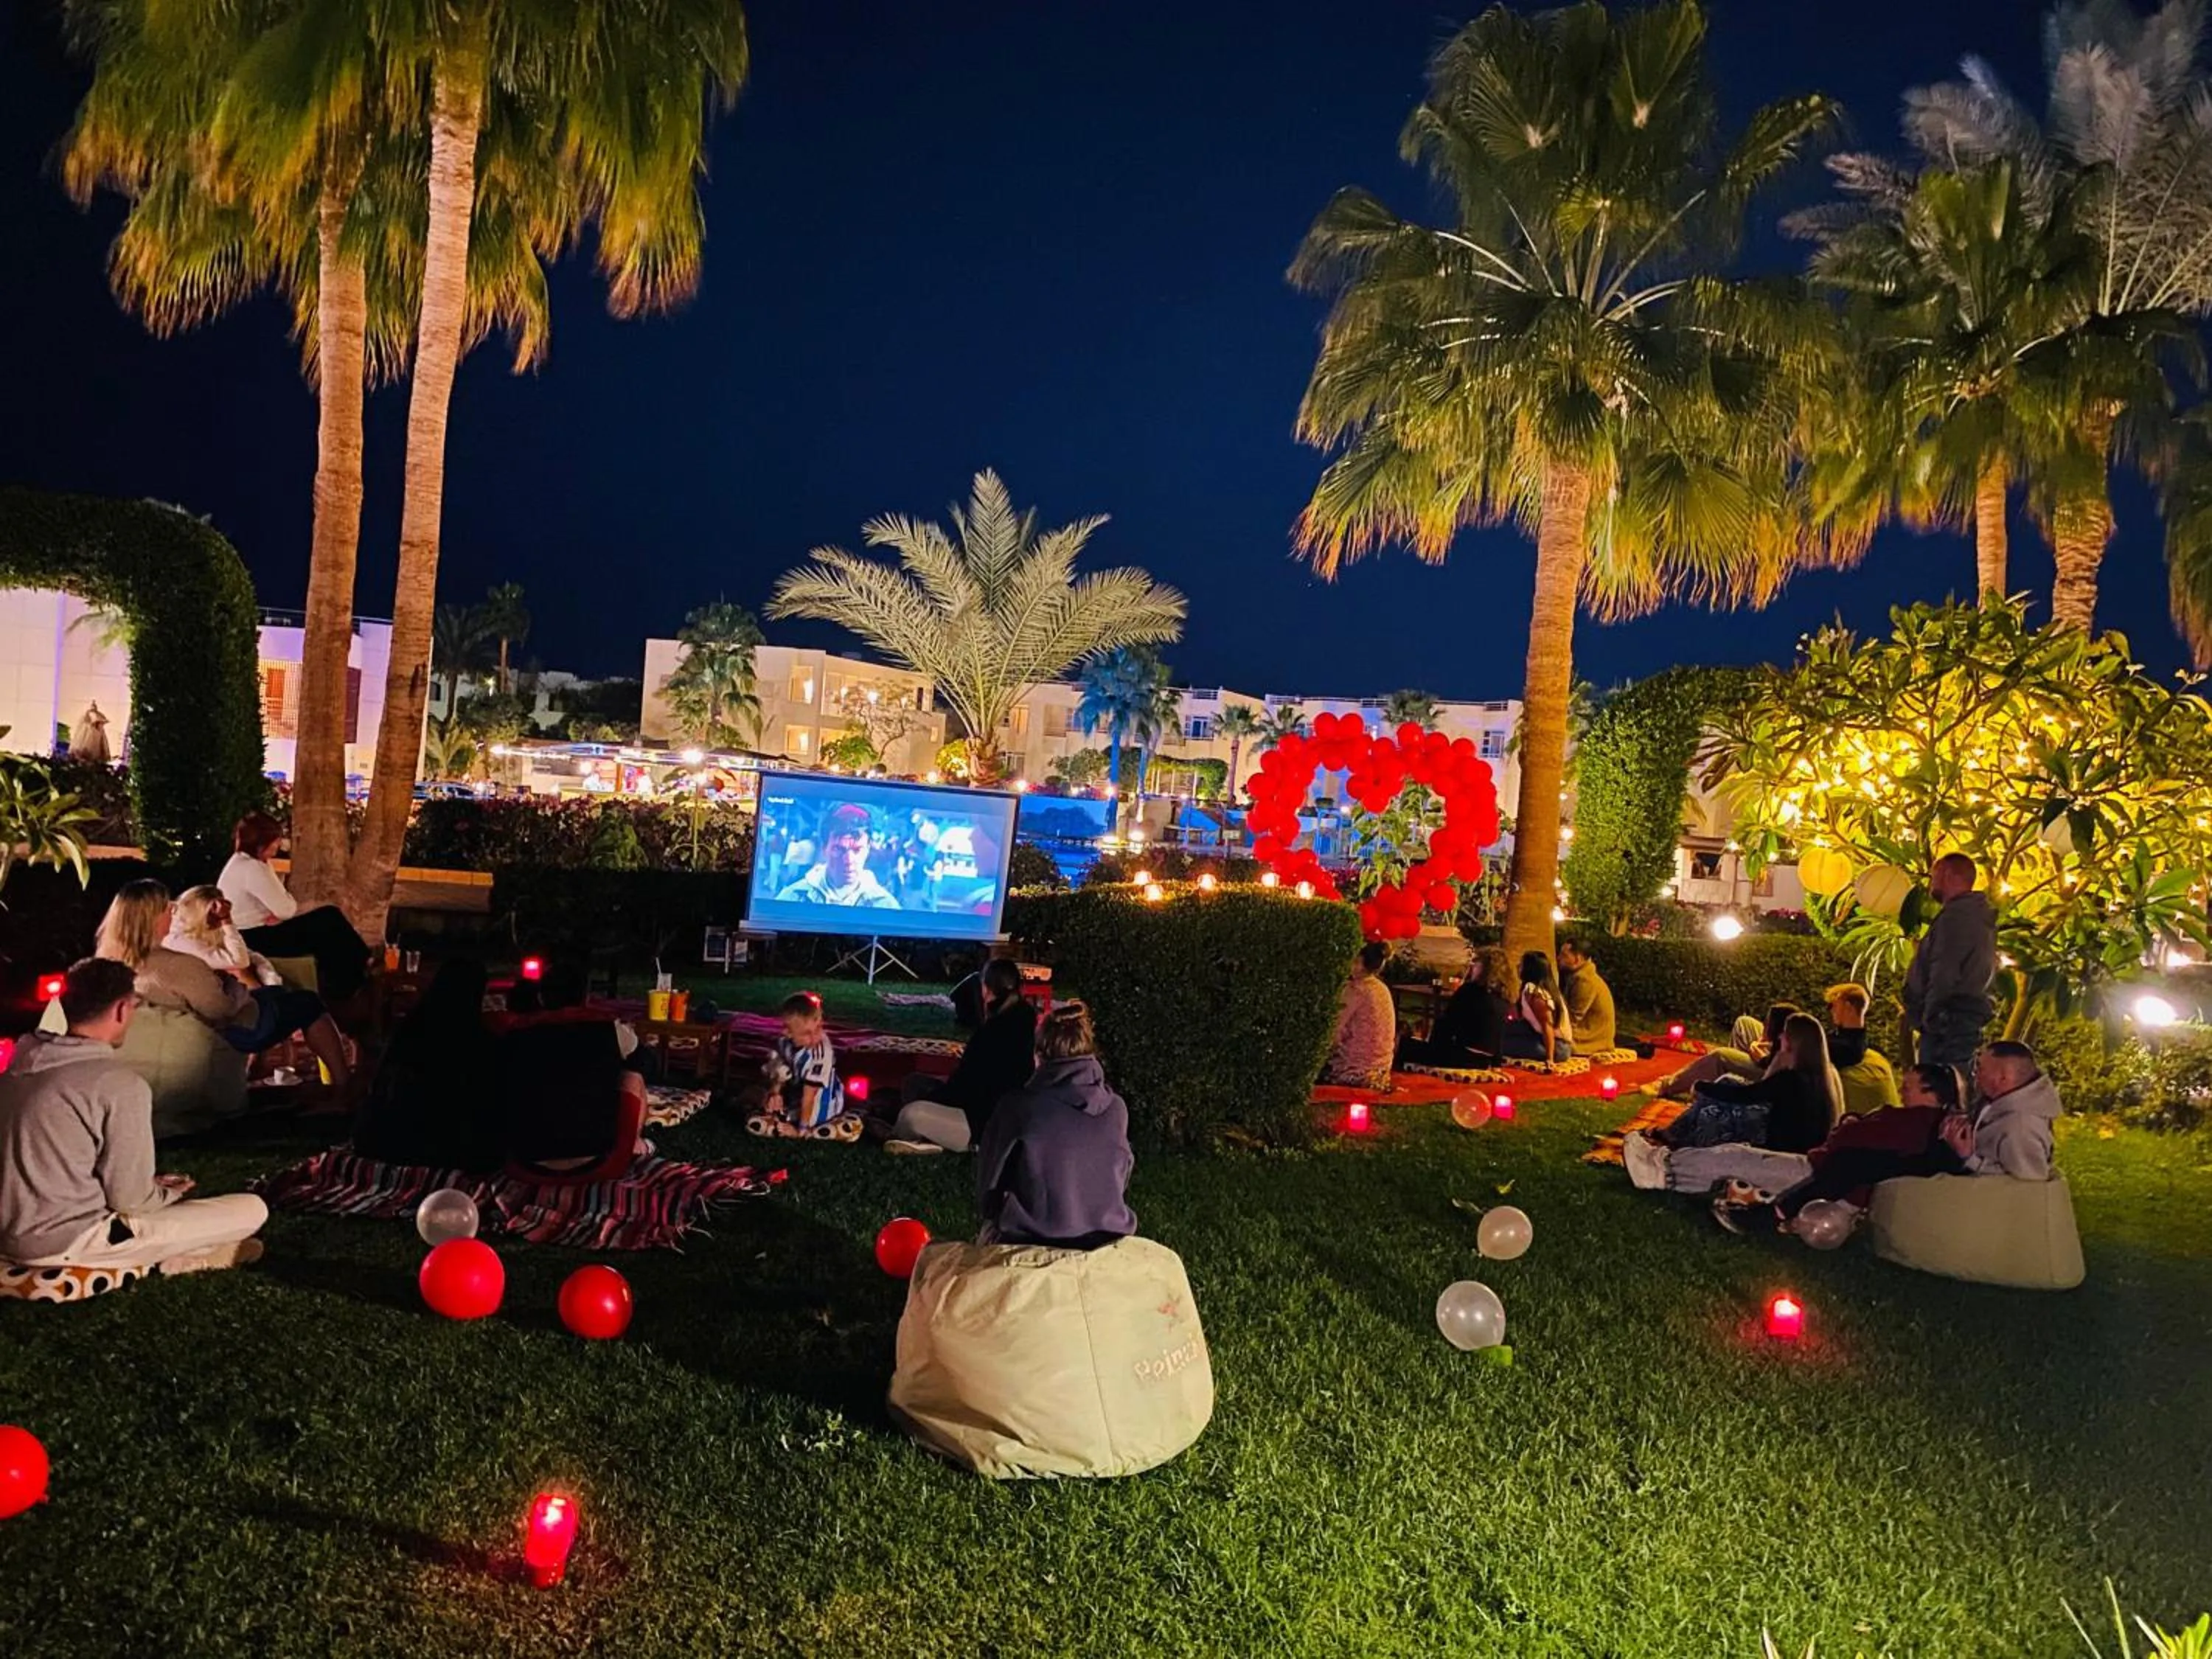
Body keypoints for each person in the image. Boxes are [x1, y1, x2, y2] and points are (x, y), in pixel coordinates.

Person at [0, 959, 268, 1273]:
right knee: (252, 1210)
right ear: (121, 1010)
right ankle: (172, 1258)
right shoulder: (117, 1085)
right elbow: (130, 1201)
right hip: (70, 1241)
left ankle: (185, 1254)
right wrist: (166, 1194)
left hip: (8, 1233)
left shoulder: (18, 1066)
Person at [1747, 1043, 2059, 1237]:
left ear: (2004, 1078)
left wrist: (1969, 1157)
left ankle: (1775, 1214)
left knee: (1855, 1162)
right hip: (1950, 1154)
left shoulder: (2022, 1124)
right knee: (1853, 1159)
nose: (1975, 1074)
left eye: (1982, 1069)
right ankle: (1780, 1212)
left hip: (1959, 1170)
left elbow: (2028, 1185)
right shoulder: (2002, 1100)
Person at [97, 879, 354, 1096]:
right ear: (153, 918)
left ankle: (275, 1070)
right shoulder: (178, 964)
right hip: (232, 1032)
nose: (173, 912)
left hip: (183, 1034)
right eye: (168, 908)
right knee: (309, 1002)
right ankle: (343, 1084)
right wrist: (232, 984)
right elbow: (222, 1009)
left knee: (278, 995)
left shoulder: (113, 961)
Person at [1651, 1060, 1964, 1206]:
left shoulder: (1913, 1121)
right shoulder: (1917, 1121)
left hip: (1819, 1176)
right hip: (1820, 1168)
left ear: (1930, 1093)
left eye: (1908, 1087)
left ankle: (1665, 1169)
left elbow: (1853, 1142)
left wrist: (1848, 1128)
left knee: (1737, 1158)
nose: (1902, 1092)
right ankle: (1671, 1164)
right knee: (1742, 1158)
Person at [973, 1000, 1135, 1249]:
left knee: (987, 1232)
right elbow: (1121, 1177)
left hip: (1030, 1239)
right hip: (1106, 1237)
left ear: (1039, 1056)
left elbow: (988, 1192)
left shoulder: (1017, 1107)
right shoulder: (1117, 1109)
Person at [1622, 1013, 1840, 1187]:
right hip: (1785, 1141)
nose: (1780, 1037)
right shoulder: (1818, 1077)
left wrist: (1702, 1087)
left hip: (1779, 1151)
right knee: (1727, 1082)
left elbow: (1748, 1096)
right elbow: (1760, 1089)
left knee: (1714, 1108)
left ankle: (1675, 1154)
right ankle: (1674, 1135)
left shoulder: (1792, 1079)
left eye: (1785, 1034)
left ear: (1794, 1042)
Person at [351, 959, 504, 1172]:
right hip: (444, 1147)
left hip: (389, 1141)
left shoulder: (410, 1028)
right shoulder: (481, 1041)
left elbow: (378, 1085)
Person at [884, 958, 1038, 1153]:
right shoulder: (1021, 1023)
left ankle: (905, 1136)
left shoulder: (994, 1034)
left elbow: (968, 1090)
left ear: (986, 990)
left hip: (981, 1126)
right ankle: (925, 1134)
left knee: (912, 1115)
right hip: (976, 1107)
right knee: (914, 1083)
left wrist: (935, 1100)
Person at [218, 811, 375, 1001]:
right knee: (328, 919)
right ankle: (354, 975)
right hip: (255, 937)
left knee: (326, 923)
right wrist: (279, 913)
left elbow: (282, 906)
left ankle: (354, 972)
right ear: (262, 842)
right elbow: (287, 908)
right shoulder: (252, 868)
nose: (279, 845)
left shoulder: (243, 863)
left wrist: (279, 912)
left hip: (252, 932)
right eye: (276, 840)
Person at [1902, 852, 1998, 1071]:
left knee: (1937, 1081)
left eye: (1934, 875)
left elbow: (1944, 969)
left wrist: (1931, 1016)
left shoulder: (1957, 918)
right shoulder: (1976, 916)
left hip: (1948, 1023)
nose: (1931, 882)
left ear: (1946, 874)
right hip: (1958, 1019)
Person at [754, 991, 855, 1138]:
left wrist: (801, 1130)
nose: (814, 1037)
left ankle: (805, 1128)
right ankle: (778, 1115)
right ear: (788, 1033)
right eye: (806, 1034)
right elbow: (780, 1070)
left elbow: (810, 1094)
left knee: (807, 1118)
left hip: (820, 1100)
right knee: (766, 1095)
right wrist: (776, 1092)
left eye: (818, 1029)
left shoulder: (821, 1053)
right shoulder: (784, 1043)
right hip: (797, 1091)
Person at [1396, 947, 1512, 1070]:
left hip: (1461, 1057)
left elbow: (1447, 1024)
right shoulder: (1504, 998)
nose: (1472, 967)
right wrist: (1496, 1063)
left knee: (1403, 1045)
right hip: (1484, 1061)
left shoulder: (1470, 990)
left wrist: (1433, 1048)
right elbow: (1499, 1036)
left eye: (1476, 964)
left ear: (1485, 968)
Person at [1651, 1004, 1797, 1100]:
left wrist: (1755, 1047)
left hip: (1768, 1072)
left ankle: (1667, 1086)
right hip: (1772, 1051)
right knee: (1744, 1023)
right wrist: (1762, 1042)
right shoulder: (1792, 1038)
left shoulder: (1786, 1053)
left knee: (1721, 1056)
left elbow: (1765, 1061)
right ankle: (1728, 1086)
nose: (1765, 1024)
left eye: (1768, 1024)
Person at [773, 804, 900, 908]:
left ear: (868, 849)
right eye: (838, 849)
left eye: (857, 850)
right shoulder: (791, 898)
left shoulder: (886, 905)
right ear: (824, 848)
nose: (849, 860)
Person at [164, 885, 281, 987]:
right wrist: (226, 920)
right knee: (239, 972)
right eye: (212, 913)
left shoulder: (190, 920)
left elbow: (247, 955)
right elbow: (240, 961)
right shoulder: (179, 938)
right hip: (203, 984)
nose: (218, 917)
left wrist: (271, 979)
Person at [1322, 942, 1397, 1090]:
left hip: (1354, 1071)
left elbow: (1333, 1034)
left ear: (1359, 962)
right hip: (1381, 1071)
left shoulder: (1355, 990)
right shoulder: (1382, 989)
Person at [1824, 981, 1900, 1113]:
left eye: (1833, 1005)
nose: (1830, 1010)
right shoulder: (1871, 1050)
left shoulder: (1843, 1049)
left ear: (1848, 1006)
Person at [1500, 950, 1571, 1063]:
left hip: (1557, 1047)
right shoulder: (1534, 989)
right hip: (1537, 1035)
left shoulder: (1535, 992)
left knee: (1497, 1044)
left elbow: (1547, 1026)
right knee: (1499, 1029)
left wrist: (1550, 1059)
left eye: (1521, 964)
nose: (1518, 967)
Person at [1555, 937, 1617, 1056]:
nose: (1559, 958)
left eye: (1564, 955)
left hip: (1588, 1040)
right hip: (1584, 1034)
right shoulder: (1578, 977)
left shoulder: (1585, 981)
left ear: (1577, 959)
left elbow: (1572, 1019)